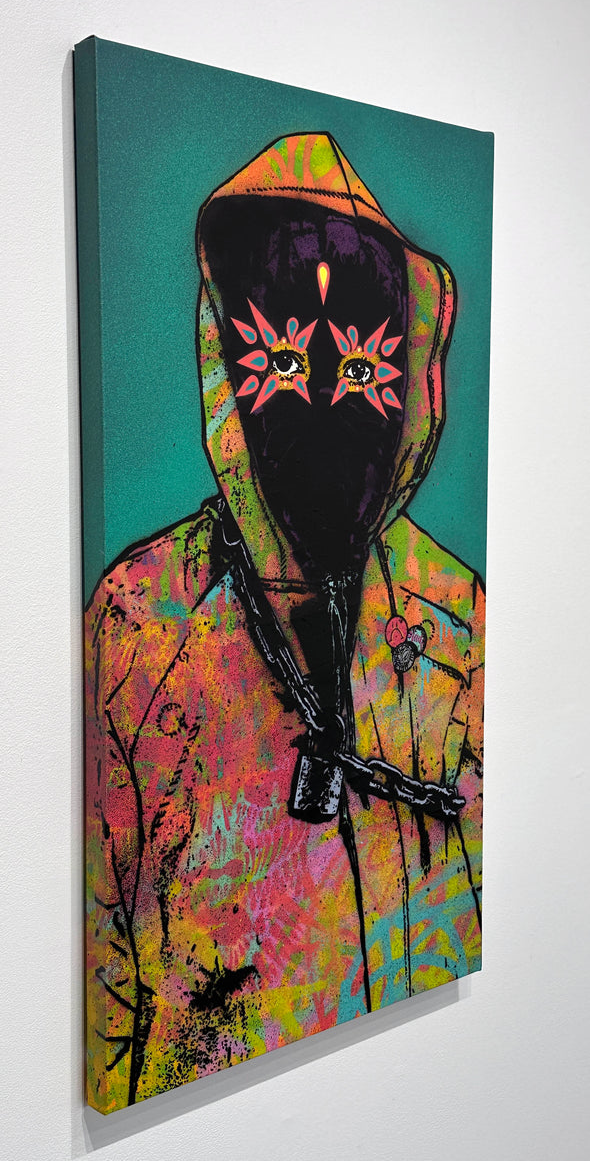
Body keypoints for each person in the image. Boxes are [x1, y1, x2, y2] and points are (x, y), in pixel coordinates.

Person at [85, 133, 485, 1113]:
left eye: (360, 362)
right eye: (280, 356)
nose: (319, 397)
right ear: (223, 353)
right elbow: (102, 975)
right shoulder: (140, 622)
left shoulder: (455, 624)